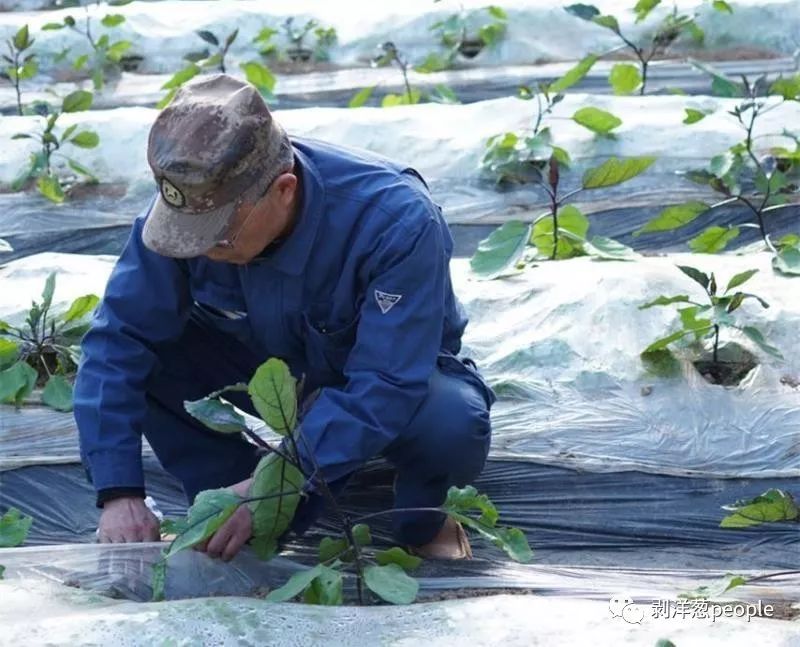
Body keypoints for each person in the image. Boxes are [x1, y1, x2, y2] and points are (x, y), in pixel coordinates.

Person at [73, 74, 496, 562]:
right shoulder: (195, 206)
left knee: (452, 424)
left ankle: (420, 521)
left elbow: (386, 379)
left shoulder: (395, 219)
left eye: (219, 238)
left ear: (284, 190)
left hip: (379, 372)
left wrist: (280, 477)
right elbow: (118, 340)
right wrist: (118, 489)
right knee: (147, 359)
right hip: (269, 364)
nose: (203, 249)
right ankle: (233, 507)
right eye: (190, 234)